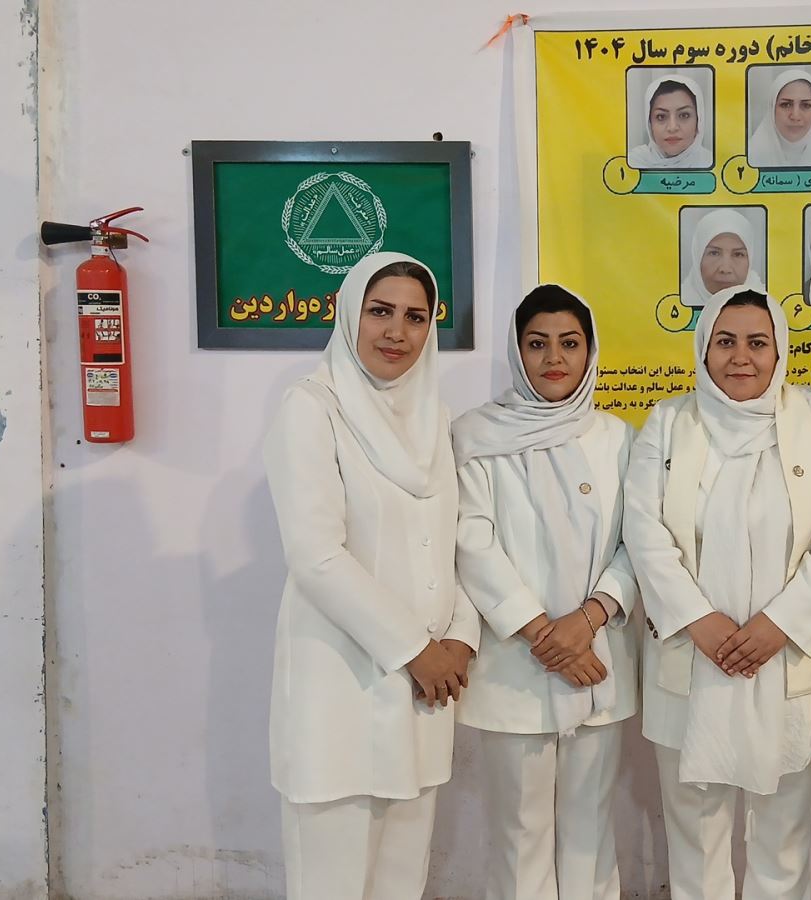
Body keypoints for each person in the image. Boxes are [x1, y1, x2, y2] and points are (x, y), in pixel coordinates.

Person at [624, 287, 811, 899]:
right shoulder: (669, 422)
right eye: (724, 342)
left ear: (781, 350)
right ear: (703, 349)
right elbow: (643, 530)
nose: (741, 357)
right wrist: (699, 621)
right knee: (694, 837)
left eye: (758, 342)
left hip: (787, 655)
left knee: (783, 838)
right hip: (692, 655)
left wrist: (779, 625)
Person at [263, 252, 478, 899]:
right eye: (380, 311)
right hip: (342, 687)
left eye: (416, 317)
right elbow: (316, 555)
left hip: (423, 696)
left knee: (401, 883)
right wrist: (418, 651)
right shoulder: (310, 408)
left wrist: (460, 638)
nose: (397, 332)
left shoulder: (434, 420)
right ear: (350, 314)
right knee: (330, 883)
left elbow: (453, 546)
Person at [453, 285, 641, 899]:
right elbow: (472, 542)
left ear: (590, 351)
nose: (554, 358)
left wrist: (587, 620)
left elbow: (639, 540)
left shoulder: (618, 438)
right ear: (517, 351)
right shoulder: (475, 435)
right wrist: (545, 635)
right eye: (537, 344)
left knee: (590, 831)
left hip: (598, 658)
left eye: (569, 343)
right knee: (519, 832)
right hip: (518, 662)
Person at [748, 68, 811, 168]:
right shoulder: (751, 156)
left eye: (806, 105)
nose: (795, 116)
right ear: (772, 108)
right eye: (786, 105)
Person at [681, 209, 765, 307]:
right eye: (714, 253)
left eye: (738, 254)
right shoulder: (675, 301)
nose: (725, 269)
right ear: (697, 256)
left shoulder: (768, 304)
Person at [629, 74, 713, 169]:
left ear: (699, 120)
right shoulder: (632, 163)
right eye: (661, 116)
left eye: (684, 115)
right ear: (650, 123)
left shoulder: (712, 163)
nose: (672, 128)